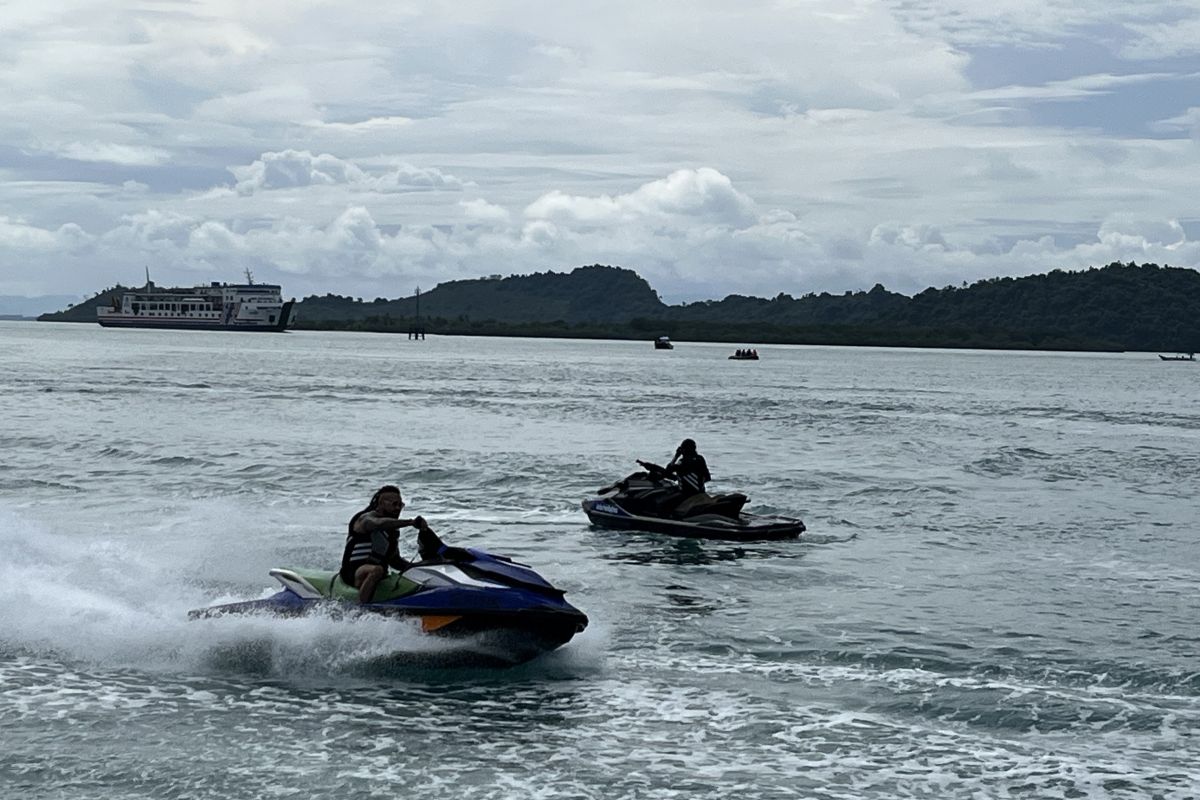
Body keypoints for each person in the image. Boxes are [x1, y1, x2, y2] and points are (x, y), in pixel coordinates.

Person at [339, 485, 441, 603]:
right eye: (394, 504)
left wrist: (423, 566)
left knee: (381, 570)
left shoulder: (392, 531)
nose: (398, 508)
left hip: (379, 576)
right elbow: (377, 524)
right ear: (381, 503)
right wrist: (410, 522)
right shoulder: (364, 519)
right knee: (377, 570)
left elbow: (395, 561)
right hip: (353, 573)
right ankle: (361, 609)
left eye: (400, 505)